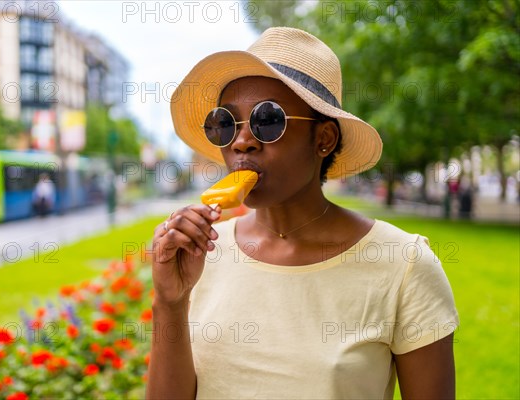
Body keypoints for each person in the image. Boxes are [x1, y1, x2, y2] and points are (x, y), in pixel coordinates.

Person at [147, 27, 459, 399]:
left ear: (323, 139)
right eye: (226, 124)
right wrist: (170, 302)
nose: (242, 141)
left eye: (267, 120)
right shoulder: (202, 253)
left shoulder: (403, 264)